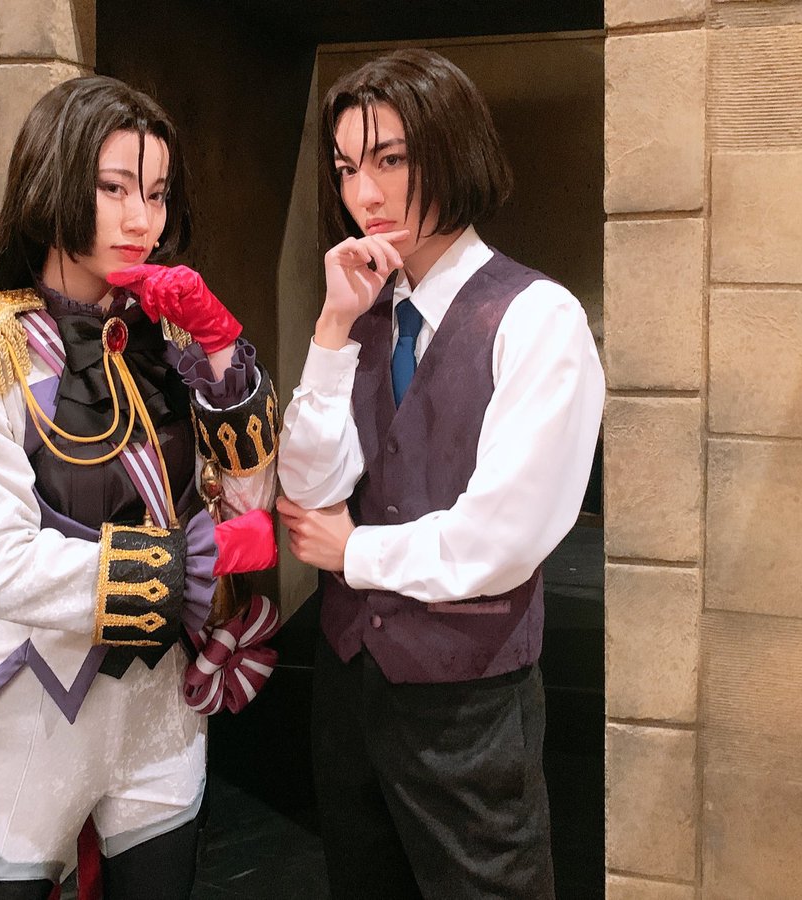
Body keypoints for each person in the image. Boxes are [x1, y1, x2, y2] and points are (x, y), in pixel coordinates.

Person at [0, 75, 280, 900]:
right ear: (53, 183)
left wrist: (222, 348)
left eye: (156, 192)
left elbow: (250, 505)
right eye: (114, 188)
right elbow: (3, 563)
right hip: (35, 711)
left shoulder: (173, 332)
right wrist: (183, 567)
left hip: (161, 714)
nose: (142, 219)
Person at [276, 49, 605, 899]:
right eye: (346, 168)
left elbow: (505, 537)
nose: (365, 194)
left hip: (469, 703)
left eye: (390, 160)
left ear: (453, 153)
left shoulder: (537, 317)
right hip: (348, 688)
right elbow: (307, 491)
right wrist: (330, 330)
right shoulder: (366, 314)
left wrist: (354, 553)